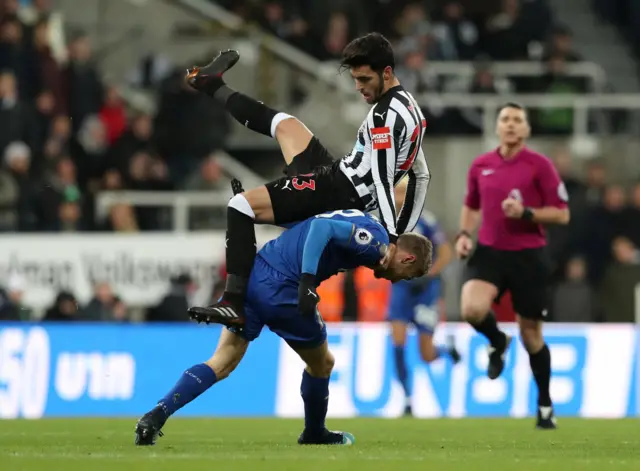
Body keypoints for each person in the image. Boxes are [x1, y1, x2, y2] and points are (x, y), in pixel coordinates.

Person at [135, 199, 433, 446]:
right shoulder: (377, 244)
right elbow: (320, 227)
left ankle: (156, 415)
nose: (402, 280)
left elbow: (308, 219)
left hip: (258, 271)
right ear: (406, 259)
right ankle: (314, 432)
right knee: (322, 364)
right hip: (286, 288)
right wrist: (306, 281)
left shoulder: (362, 220)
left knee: (222, 361)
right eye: (411, 274)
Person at [185, 32, 430, 325]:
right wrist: (403, 230)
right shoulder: (413, 111)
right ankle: (213, 84)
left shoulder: (383, 116)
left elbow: (380, 177)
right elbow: (421, 175)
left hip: (335, 189)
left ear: (387, 72)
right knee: (287, 125)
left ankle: (233, 301)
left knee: (241, 206)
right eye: (355, 79)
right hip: (336, 175)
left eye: (364, 79)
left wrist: (392, 235)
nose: (358, 87)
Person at [455, 103, 570, 429]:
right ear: (497, 126)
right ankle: (496, 341)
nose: (510, 124)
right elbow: (471, 205)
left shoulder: (540, 166)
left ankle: (545, 403)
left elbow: (562, 213)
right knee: (471, 309)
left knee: (531, 334)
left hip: (529, 257)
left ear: (527, 130)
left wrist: (527, 213)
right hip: (490, 252)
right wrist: (465, 234)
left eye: (517, 120)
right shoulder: (481, 165)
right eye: (505, 119)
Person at [387, 179, 459, 416]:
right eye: (395, 192)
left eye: (402, 193)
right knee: (397, 341)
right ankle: (407, 398)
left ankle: (446, 349)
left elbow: (446, 251)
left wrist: (430, 273)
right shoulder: (386, 223)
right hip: (401, 288)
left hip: (426, 289)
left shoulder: (426, 220)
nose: (398, 198)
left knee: (426, 354)